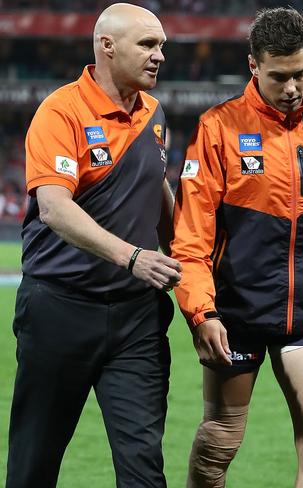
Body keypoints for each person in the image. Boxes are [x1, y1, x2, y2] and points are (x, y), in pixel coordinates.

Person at [171, 7, 303, 488]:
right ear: (253, 66)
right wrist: (202, 314)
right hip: (235, 314)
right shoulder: (218, 127)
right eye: (278, 76)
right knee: (218, 445)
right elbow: (191, 236)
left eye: (300, 74)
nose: (291, 88)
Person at [6, 4, 182, 487]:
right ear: (107, 46)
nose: (160, 56)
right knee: (33, 463)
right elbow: (55, 208)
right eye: (148, 44)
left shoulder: (153, 113)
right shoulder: (60, 111)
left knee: (144, 467)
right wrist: (132, 256)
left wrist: (189, 263)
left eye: (162, 46)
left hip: (135, 320)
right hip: (59, 310)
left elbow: (157, 188)